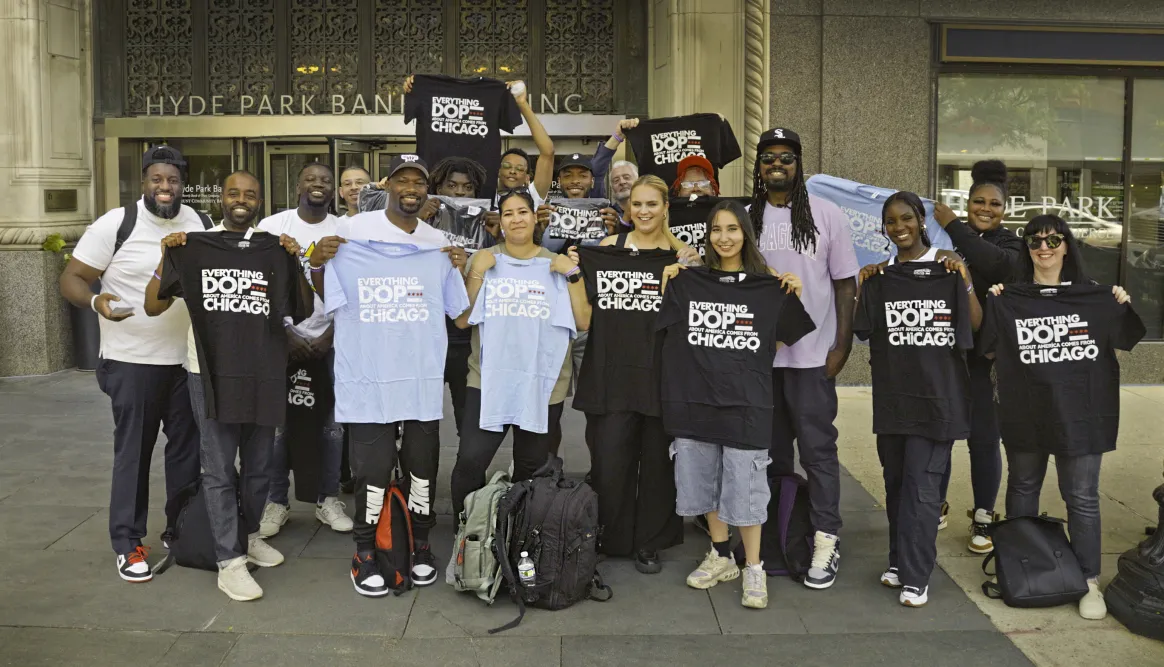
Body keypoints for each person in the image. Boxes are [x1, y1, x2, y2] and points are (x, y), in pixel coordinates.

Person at [307, 155, 468, 594]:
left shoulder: (438, 244)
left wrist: (460, 265)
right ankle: (365, 550)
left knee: (422, 467)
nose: (411, 187)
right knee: (371, 470)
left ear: (426, 190)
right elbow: (326, 293)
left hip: (419, 379)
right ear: (389, 186)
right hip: (367, 378)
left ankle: (419, 544)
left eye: (419, 181)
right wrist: (318, 263)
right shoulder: (352, 234)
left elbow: (461, 316)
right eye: (403, 180)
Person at [143, 171, 305, 600]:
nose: (242, 199)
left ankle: (248, 536)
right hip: (209, 373)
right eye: (234, 192)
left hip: (263, 373)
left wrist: (296, 258)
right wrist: (167, 258)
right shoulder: (192, 244)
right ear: (221, 198)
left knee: (259, 466)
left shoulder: (275, 247)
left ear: (259, 201)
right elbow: (152, 304)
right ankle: (228, 562)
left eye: (250, 194)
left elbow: (301, 309)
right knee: (217, 468)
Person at [59, 146, 205, 583]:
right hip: (131, 361)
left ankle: (180, 528)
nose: (166, 188)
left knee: (186, 453)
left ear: (183, 183)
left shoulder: (194, 221)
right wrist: (95, 301)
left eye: (173, 180)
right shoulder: (116, 223)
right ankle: (127, 542)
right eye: (157, 180)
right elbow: (72, 278)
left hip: (184, 361)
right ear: (144, 182)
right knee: (134, 454)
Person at [985, 215, 1135, 620]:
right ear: (1026, 248)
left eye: (1053, 239)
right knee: (1023, 488)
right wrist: (995, 300)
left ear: (1067, 245)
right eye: (1035, 240)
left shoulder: (1096, 297)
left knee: (1082, 497)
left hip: (1082, 416)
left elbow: (1127, 337)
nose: (1044, 246)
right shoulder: (1008, 298)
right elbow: (985, 348)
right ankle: (1023, 567)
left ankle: (1088, 580)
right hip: (1026, 413)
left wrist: (1119, 302)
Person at [659, 200, 805, 610]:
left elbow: (776, 340)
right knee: (704, 482)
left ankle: (754, 567)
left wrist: (788, 295)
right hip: (696, 399)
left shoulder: (767, 284)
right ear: (707, 236)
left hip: (746, 403)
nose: (724, 237)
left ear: (745, 233)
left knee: (745, 486)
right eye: (717, 230)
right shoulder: (689, 281)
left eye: (732, 229)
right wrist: (669, 280)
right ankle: (721, 555)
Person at [855, 191, 980, 608]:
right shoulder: (879, 275)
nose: (899, 227)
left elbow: (975, 325)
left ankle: (916, 574)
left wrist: (963, 279)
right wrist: (863, 285)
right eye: (890, 221)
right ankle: (898, 561)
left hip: (939, 402)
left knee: (923, 491)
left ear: (921, 219)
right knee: (896, 487)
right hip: (893, 401)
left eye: (906, 218)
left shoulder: (947, 266)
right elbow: (863, 326)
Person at [749, 127, 859, 590]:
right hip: (759, 363)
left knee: (818, 453)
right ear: (758, 166)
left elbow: (845, 283)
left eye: (787, 158)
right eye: (770, 157)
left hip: (813, 358)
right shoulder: (745, 216)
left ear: (799, 164)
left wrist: (842, 346)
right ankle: (779, 534)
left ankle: (825, 537)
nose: (778, 164)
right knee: (769, 456)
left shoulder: (827, 214)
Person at [574, 175, 698, 574]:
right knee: (610, 461)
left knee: (659, 465)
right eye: (637, 205)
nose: (644, 211)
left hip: (662, 374)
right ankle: (609, 537)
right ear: (629, 210)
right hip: (611, 372)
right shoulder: (609, 249)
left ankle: (650, 542)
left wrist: (690, 275)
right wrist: (575, 269)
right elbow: (586, 317)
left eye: (652, 204)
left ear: (666, 208)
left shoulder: (684, 258)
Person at [448, 188, 590, 520]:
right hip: (489, 379)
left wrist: (572, 274)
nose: (516, 219)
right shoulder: (483, 260)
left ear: (534, 216)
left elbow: (583, 320)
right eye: (508, 213)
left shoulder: (557, 265)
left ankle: (523, 535)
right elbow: (462, 319)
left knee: (531, 467)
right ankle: (467, 531)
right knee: (471, 459)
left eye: (522, 211)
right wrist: (477, 270)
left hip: (542, 383)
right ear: (500, 221)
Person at [932, 159, 1027, 554]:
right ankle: (934, 503)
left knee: (984, 440)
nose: (985, 209)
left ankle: (984, 515)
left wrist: (954, 225)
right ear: (967, 202)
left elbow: (994, 264)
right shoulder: (947, 236)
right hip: (945, 352)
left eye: (994, 204)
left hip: (987, 359)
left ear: (1006, 210)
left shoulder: (1012, 245)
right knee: (940, 433)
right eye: (977, 202)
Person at [256, 163, 353, 538]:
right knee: (276, 426)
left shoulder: (344, 229)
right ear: (298, 184)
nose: (318, 185)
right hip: (280, 338)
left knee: (331, 425)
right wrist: (285, 333)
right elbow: (260, 285)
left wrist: (332, 333)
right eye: (311, 179)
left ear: (334, 191)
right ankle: (275, 501)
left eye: (326, 181)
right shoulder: (272, 226)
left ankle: (327, 498)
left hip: (332, 340)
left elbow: (355, 290)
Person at [590, 117, 639, 201]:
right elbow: (594, 173)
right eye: (616, 181)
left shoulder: (654, 211)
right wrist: (618, 136)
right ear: (612, 189)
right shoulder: (605, 212)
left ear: (638, 181)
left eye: (627, 177)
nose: (622, 182)